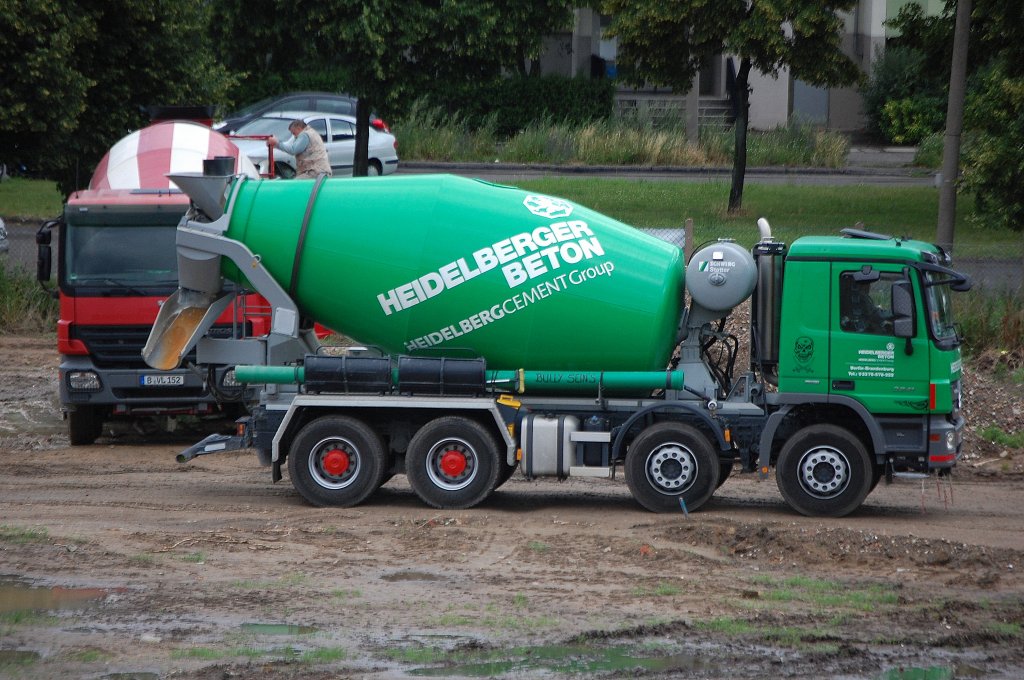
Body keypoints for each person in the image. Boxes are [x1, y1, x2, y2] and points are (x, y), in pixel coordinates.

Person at [267, 120, 332, 178]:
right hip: (321, 171)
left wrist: (277, 143)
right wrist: (277, 144)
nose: (294, 136)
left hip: (314, 171)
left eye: (294, 133)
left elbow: (293, 150)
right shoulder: (312, 132)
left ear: (299, 128)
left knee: (295, 187)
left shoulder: (304, 135)